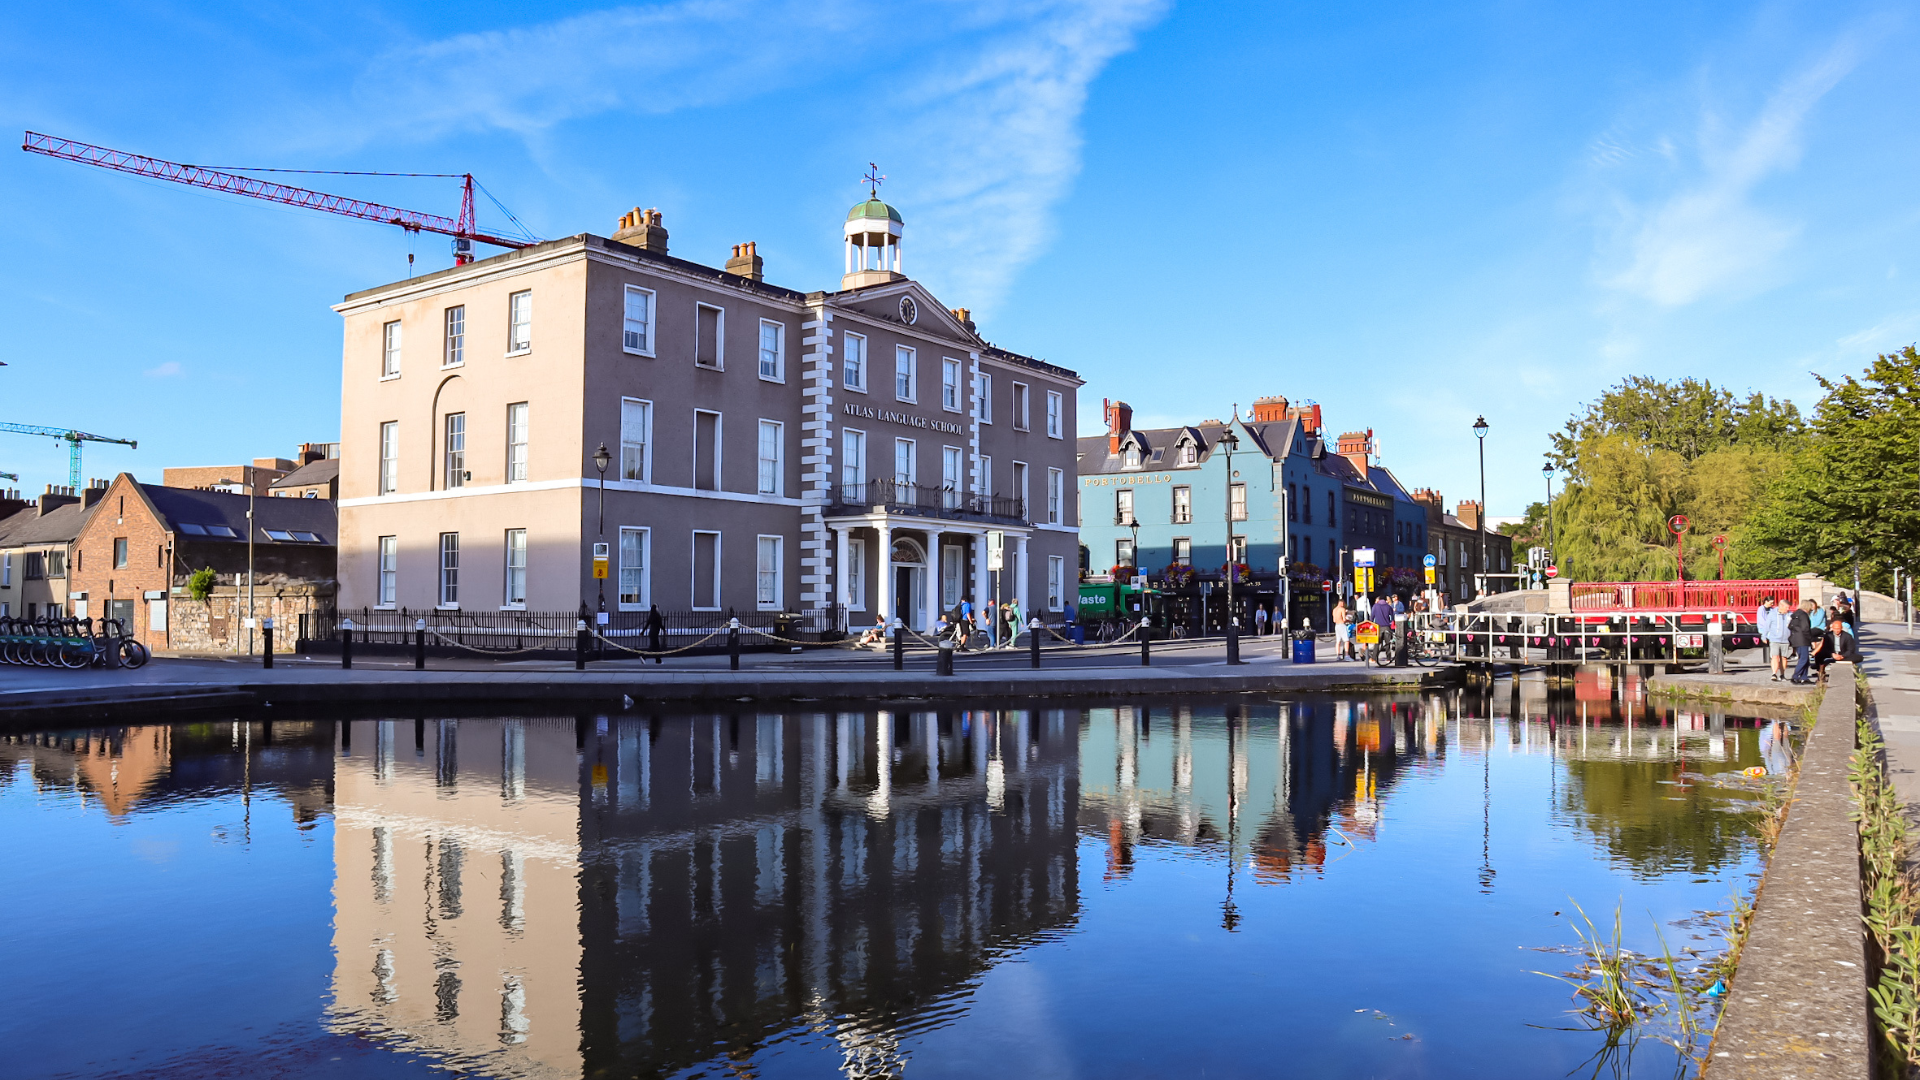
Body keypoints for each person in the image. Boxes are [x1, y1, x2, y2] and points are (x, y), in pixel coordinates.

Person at [1788, 599, 1816, 684]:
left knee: (1805, 659)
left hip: (1795, 639)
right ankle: (1795, 676)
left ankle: (1804, 677)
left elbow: (1790, 626)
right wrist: (1810, 639)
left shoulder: (1795, 614)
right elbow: (1805, 628)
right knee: (1803, 659)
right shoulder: (1804, 615)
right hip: (1803, 640)